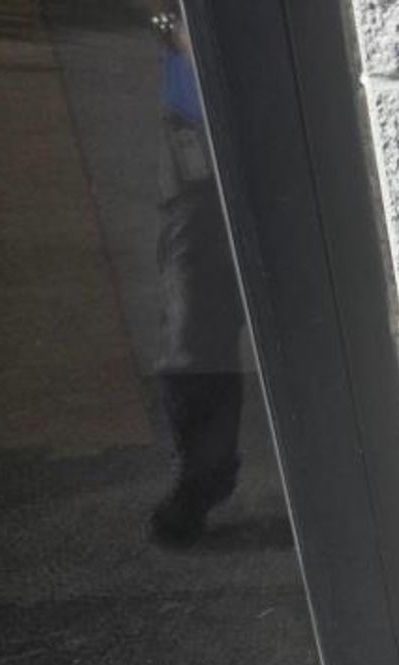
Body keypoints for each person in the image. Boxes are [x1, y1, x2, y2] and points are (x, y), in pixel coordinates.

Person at [148, 10, 244, 546]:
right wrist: (172, 25)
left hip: (287, 118)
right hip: (195, 142)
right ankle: (202, 479)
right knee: (192, 339)